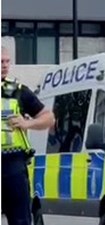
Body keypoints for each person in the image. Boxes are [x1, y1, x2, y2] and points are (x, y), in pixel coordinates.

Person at [2, 46, 56, 225]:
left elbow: (49, 118)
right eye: (0, 61)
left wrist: (27, 124)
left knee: (20, 219)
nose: (4, 65)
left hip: (12, 163)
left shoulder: (19, 91)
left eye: (7, 61)